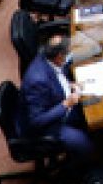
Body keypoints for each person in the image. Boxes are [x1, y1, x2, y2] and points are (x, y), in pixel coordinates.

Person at [20, 36, 97, 168]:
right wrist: (66, 104)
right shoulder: (38, 80)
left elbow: (58, 77)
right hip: (46, 127)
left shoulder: (48, 59)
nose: (69, 57)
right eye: (67, 54)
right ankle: (69, 172)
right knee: (85, 144)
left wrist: (69, 84)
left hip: (56, 103)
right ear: (59, 56)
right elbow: (36, 121)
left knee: (93, 111)